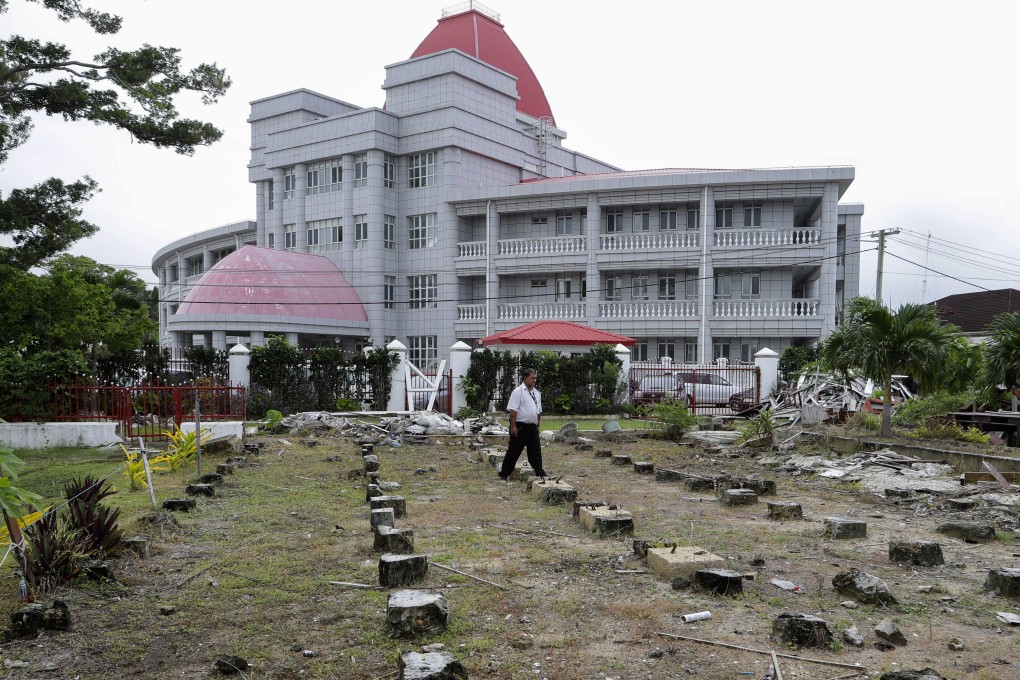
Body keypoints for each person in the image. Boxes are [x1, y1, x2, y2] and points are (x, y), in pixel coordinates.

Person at [498, 367, 547, 480]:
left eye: (535, 378)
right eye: (532, 378)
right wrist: (513, 426)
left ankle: (539, 472)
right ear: (525, 378)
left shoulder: (536, 393)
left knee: (535, 451)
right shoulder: (518, 392)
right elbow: (513, 411)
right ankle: (504, 474)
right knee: (514, 451)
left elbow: (538, 410)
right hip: (520, 426)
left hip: (532, 426)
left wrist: (537, 425)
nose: (534, 380)